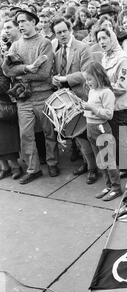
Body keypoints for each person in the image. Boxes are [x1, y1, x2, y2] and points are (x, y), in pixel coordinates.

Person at [2, 8, 59, 184]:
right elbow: (6, 70)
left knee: (49, 133)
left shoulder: (45, 43)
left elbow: (43, 74)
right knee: (26, 135)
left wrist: (18, 73)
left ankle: (52, 163)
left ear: (33, 22)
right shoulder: (15, 45)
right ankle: (33, 169)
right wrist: (26, 68)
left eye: (23, 22)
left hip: (43, 96)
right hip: (23, 98)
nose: (20, 25)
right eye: (18, 23)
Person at [52, 17, 98, 185]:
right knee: (78, 137)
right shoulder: (57, 52)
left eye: (64, 31)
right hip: (67, 101)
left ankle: (94, 169)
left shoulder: (83, 47)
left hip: (83, 97)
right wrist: (55, 80)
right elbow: (56, 74)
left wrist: (64, 78)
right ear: (55, 34)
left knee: (87, 136)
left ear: (70, 30)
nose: (62, 34)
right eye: (58, 32)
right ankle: (87, 164)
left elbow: (87, 73)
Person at [82, 62, 122, 201]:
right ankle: (108, 184)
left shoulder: (107, 92)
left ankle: (116, 187)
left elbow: (109, 114)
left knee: (108, 160)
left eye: (90, 79)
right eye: (86, 80)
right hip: (91, 128)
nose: (87, 83)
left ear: (98, 77)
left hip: (101, 129)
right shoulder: (93, 91)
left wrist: (91, 108)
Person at [98, 28, 127, 178]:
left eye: (104, 38)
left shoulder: (122, 58)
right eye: (99, 39)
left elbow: (122, 87)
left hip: (119, 105)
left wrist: (103, 89)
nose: (102, 42)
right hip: (108, 105)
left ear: (112, 39)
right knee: (114, 136)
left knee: (121, 137)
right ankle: (122, 165)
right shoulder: (105, 57)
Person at [0, 60, 22, 180]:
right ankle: (4, 167)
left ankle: (15, 166)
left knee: (5, 138)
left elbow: (4, 85)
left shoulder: (1, 64)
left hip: (2, 106)